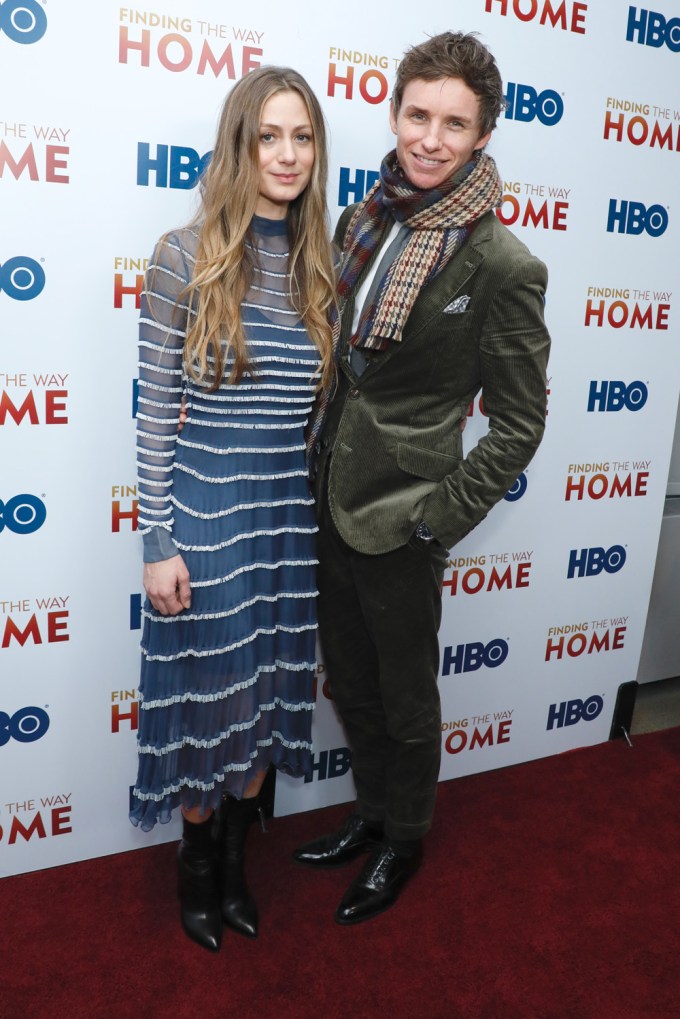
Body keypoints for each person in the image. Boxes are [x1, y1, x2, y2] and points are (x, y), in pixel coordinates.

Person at [294, 31, 551, 925]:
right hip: (327, 492)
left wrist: (436, 518)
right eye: (417, 114)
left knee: (405, 696)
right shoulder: (365, 215)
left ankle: (405, 838)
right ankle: (369, 813)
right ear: (395, 110)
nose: (430, 139)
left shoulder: (503, 262)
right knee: (352, 684)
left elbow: (519, 421)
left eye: (454, 123)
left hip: (404, 517)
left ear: (483, 135)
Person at [129, 66, 336, 952]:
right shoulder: (184, 256)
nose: (286, 155)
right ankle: (196, 866)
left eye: (303, 137)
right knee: (209, 702)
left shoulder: (326, 265)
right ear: (239, 144)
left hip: (288, 521)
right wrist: (157, 539)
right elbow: (152, 408)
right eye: (269, 137)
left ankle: (239, 869)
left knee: (264, 702)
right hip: (207, 517)